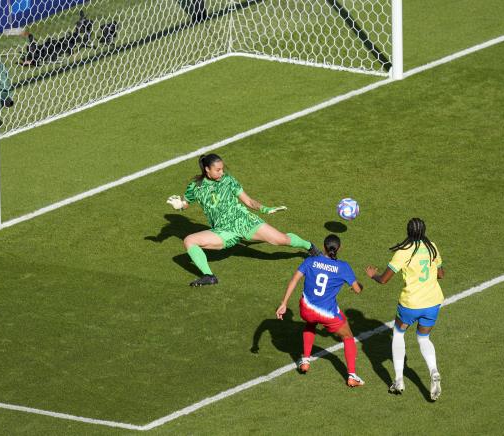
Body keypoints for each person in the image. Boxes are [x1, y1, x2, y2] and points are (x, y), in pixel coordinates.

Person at [167, 153, 320, 286]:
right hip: (223, 230)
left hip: (245, 221)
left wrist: (266, 209)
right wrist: (179, 205)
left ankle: (309, 246)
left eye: (222, 169)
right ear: (207, 169)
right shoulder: (195, 186)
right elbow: (186, 204)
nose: (221, 173)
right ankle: (209, 276)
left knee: (281, 240)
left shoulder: (228, 180)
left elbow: (248, 201)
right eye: (218, 170)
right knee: (189, 240)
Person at [365, 217, 444, 401]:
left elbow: (384, 279)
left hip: (411, 303)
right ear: (423, 231)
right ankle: (433, 370)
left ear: (408, 232)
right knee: (424, 338)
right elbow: (441, 274)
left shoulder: (403, 251)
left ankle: (399, 379)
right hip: (433, 302)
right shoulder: (432, 246)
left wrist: (372, 275)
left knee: (399, 333)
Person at [276, 234, 365, 387]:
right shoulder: (343, 267)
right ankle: (352, 376)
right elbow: (357, 290)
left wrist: (284, 303)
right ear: (339, 248)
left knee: (310, 323)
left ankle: (305, 360)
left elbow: (294, 280)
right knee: (348, 337)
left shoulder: (310, 261)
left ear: (323, 247)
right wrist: (358, 285)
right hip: (327, 314)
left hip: (306, 309)